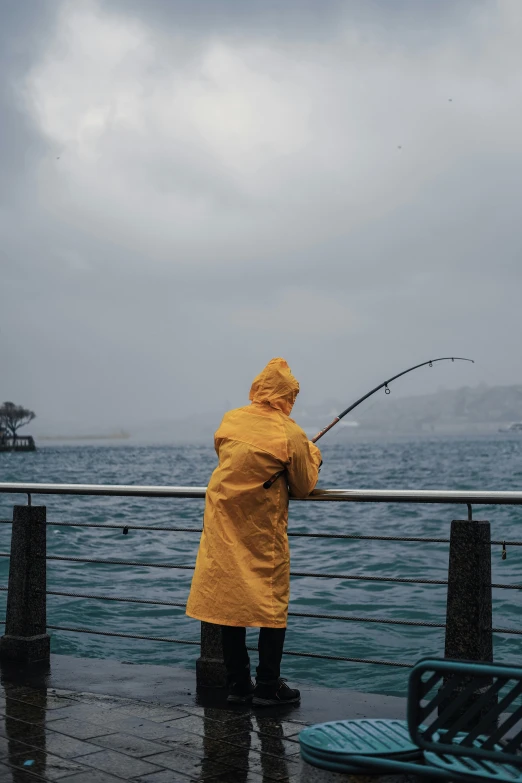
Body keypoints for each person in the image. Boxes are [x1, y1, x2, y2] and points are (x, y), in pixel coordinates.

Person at [186, 358, 322, 706]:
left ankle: (237, 684)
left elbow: (229, 456)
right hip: (261, 530)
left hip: (222, 521)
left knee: (230, 601)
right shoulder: (289, 432)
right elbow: (304, 485)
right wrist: (314, 455)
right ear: (288, 395)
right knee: (271, 603)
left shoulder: (231, 420)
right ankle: (269, 685)